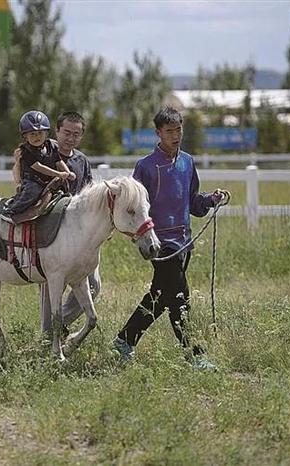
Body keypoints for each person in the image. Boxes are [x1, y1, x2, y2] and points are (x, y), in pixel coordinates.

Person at [112, 106, 228, 371]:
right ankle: (195, 354)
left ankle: (124, 340)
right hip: (159, 243)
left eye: (178, 130)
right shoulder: (145, 167)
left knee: (160, 295)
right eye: (169, 131)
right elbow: (132, 207)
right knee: (179, 297)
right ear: (158, 133)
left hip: (185, 241)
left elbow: (193, 203)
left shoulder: (187, 162)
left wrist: (210, 200)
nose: (175, 136)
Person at [39, 111, 99, 337]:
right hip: (52, 230)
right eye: (66, 132)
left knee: (93, 284)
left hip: (81, 235)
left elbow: (90, 194)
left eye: (76, 134)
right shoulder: (45, 154)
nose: (70, 138)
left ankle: (57, 324)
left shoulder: (81, 161)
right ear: (57, 131)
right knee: (51, 284)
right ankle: (48, 332)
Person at [1, 110, 74, 223]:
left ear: (46, 133)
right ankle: (12, 211)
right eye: (32, 134)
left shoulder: (52, 145)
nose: (37, 137)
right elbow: (39, 167)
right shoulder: (26, 151)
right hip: (33, 181)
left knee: (66, 188)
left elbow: (58, 161)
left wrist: (68, 172)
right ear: (25, 136)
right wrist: (58, 174)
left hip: (49, 180)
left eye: (40, 133)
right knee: (33, 192)